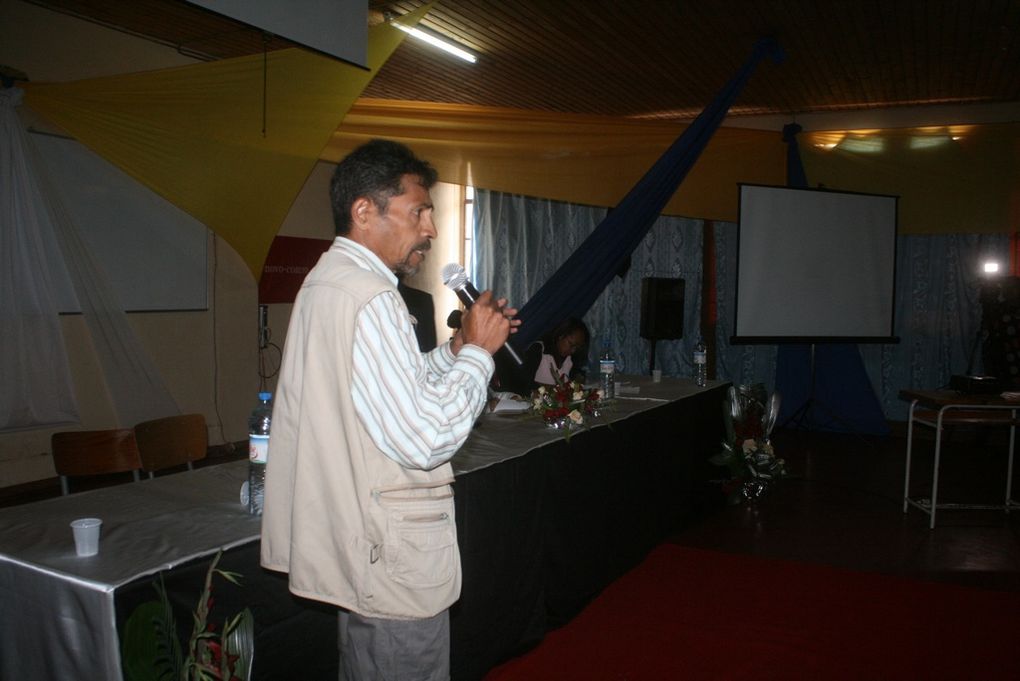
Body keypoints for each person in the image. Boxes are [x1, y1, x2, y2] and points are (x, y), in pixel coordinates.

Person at [260, 139, 517, 680]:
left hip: (360, 540)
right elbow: (425, 440)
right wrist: (478, 354)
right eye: (418, 211)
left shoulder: (330, 281)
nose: (431, 228)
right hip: (391, 556)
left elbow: (391, 391)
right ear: (364, 211)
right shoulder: (372, 296)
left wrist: (453, 350)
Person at [494, 317, 590, 395]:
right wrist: (555, 390)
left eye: (577, 347)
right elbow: (523, 384)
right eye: (571, 344)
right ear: (561, 335)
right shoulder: (539, 350)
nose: (573, 350)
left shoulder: (571, 359)